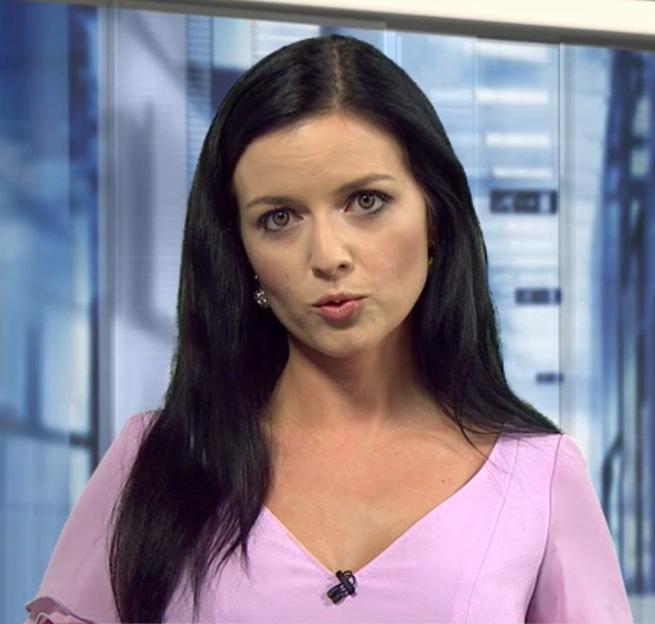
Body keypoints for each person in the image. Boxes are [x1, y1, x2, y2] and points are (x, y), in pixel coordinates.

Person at [25, 33, 633, 624]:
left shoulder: (540, 477)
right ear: (240, 252)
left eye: (366, 201)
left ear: (436, 217)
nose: (328, 255)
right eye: (279, 218)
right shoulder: (155, 461)